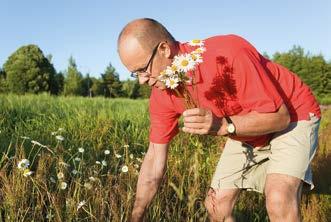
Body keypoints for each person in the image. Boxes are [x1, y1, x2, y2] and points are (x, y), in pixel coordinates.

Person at [117, 18, 321, 222]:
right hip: (243, 127)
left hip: (293, 115)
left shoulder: (228, 51)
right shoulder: (162, 93)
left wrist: (224, 125)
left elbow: (280, 117)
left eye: (143, 69)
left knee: (278, 197)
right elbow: (154, 158)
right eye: (135, 74)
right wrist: (136, 216)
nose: (143, 80)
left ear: (164, 49)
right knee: (216, 206)